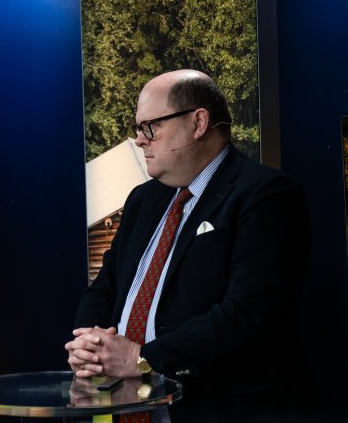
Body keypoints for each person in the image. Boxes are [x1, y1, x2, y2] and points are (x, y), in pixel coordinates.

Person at [65, 70, 311, 423]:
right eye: (138, 128)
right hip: (132, 407)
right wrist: (89, 342)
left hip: (217, 408)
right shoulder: (143, 200)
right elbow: (106, 285)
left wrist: (142, 359)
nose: (139, 140)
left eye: (150, 127)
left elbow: (248, 315)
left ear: (198, 123)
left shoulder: (267, 196)